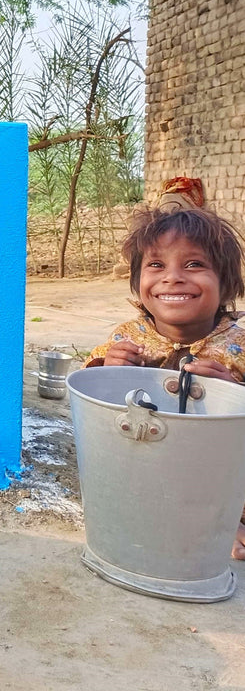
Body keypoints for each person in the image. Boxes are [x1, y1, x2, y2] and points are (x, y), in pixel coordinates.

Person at [84, 206, 245, 559]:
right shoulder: (129, 335)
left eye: (194, 264)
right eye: (156, 265)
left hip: (218, 476)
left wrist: (233, 393)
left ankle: (225, 520)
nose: (172, 277)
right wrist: (109, 367)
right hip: (146, 470)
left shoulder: (238, 346)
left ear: (227, 283)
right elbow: (89, 393)